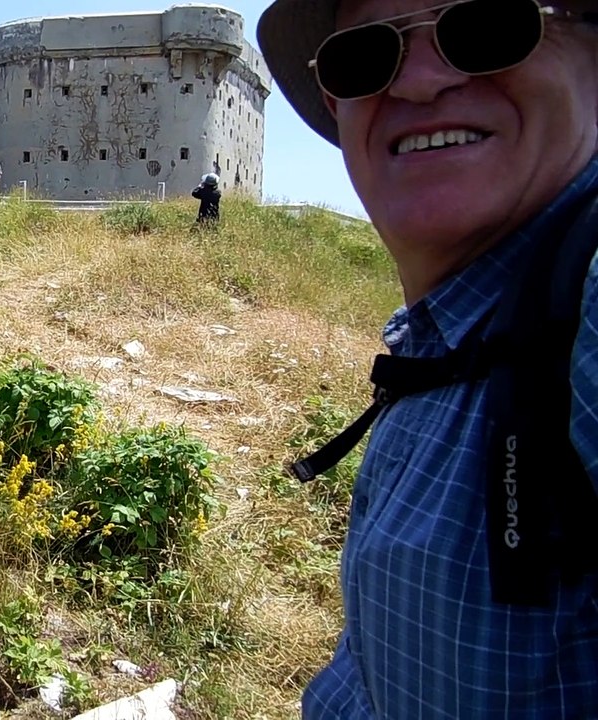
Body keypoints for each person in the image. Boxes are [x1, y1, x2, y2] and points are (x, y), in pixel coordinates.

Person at [256, 0, 598, 717]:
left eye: (484, 26)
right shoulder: (452, 342)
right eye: (365, 57)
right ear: (335, 102)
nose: (416, 82)